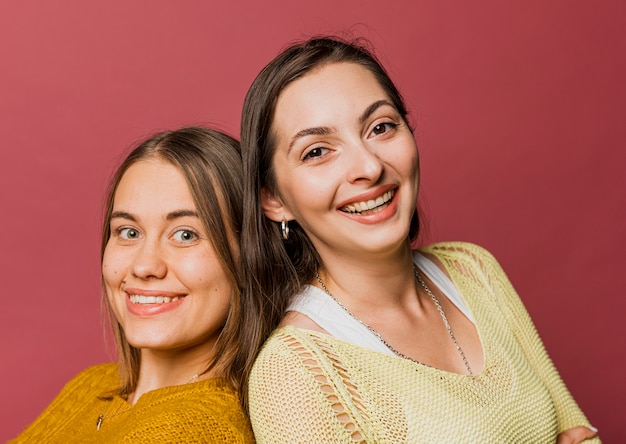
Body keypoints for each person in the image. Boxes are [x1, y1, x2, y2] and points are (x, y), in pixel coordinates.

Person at [239, 36, 600, 443]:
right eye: (317, 151)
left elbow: (582, 432)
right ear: (273, 198)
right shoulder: (295, 372)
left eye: (381, 127)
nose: (369, 166)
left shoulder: (473, 269)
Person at [11, 127, 255, 442]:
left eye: (185, 234)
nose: (143, 266)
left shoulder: (193, 429)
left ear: (249, 257)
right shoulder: (92, 385)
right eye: (129, 232)